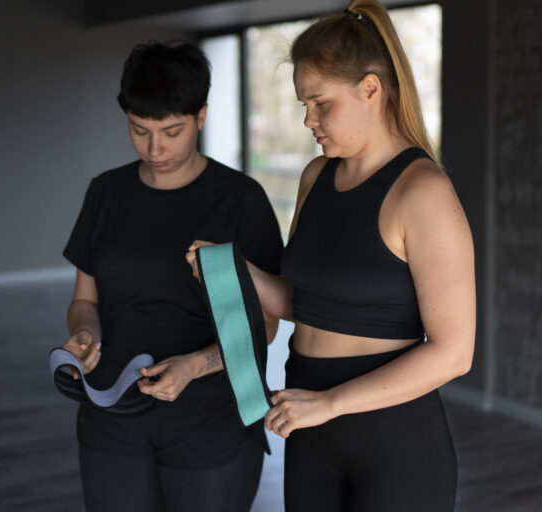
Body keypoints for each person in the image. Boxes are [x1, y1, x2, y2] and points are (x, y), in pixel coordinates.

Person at [189, 1, 475, 510]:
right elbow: (306, 304)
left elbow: (454, 353)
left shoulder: (422, 191)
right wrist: (235, 269)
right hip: (310, 427)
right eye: (304, 105)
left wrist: (331, 404)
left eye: (320, 104)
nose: (308, 120)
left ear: (370, 88)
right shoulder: (316, 178)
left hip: (394, 440)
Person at [61, 41, 283, 512]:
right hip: (111, 408)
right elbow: (86, 300)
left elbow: (263, 327)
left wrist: (194, 365)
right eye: (139, 130)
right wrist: (83, 333)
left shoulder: (240, 201)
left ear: (201, 116)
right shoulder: (106, 194)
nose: (154, 148)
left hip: (212, 415)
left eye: (172, 131)